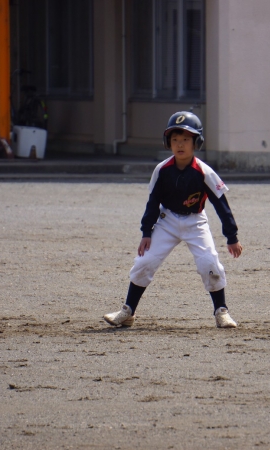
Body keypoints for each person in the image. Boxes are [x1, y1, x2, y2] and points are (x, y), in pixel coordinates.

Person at [104, 111, 243, 328]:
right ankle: (128, 311)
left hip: (195, 222)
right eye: (175, 139)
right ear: (167, 142)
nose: (180, 144)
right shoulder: (162, 170)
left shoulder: (204, 172)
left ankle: (221, 312)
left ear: (197, 142)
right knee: (144, 262)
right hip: (167, 220)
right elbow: (152, 203)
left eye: (186, 139)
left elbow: (221, 205)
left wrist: (231, 237)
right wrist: (146, 233)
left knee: (209, 263)